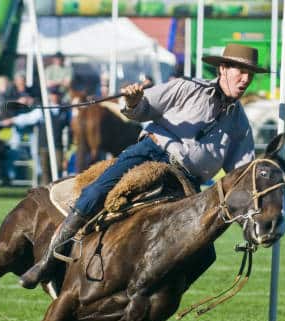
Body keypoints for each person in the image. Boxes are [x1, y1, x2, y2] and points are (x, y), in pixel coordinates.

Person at [19, 43, 265, 289]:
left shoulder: (240, 124)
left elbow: (241, 173)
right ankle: (49, 261)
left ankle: (159, 297)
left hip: (187, 179)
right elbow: (143, 109)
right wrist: (134, 102)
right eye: (239, 71)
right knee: (95, 192)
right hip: (151, 152)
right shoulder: (188, 87)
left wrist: (255, 209)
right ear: (222, 68)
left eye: (250, 74)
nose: (245, 79)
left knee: (206, 253)